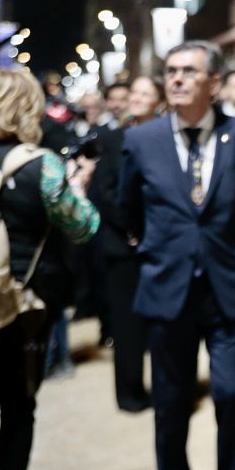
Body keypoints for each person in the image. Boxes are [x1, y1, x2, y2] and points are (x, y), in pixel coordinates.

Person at [119, 41, 235, 470]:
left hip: (229, 289)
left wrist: (230, 247)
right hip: (168, 288)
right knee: (170, 403)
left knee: (230, 394)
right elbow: (127, 207)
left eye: (189, 71)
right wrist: (159, 248)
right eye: (171, 71)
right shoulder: (141, 140)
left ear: (215, 83)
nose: (177, 79)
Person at [0, 69, 99, 470]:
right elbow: (83, 227)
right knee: (18, 408)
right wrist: (77, 187)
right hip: (23, 307)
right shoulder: (41, 165)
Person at [91, 75, 165, 412]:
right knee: (127, 324)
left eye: (144, 92)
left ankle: (167, 388)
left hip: (161, 244)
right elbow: (105, 193)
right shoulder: (111, 139)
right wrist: (131, 229)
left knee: (165, 324)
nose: (135, 97)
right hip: (123, 246)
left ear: (159, 100)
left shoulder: (170, 138)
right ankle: (130, 392)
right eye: (133, 92)